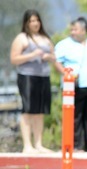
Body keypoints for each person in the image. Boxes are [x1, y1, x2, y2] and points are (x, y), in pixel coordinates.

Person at [54, 16, 87, 152]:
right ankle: (76, 145)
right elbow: (56, 61)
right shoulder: (64, 44)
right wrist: (66, 74)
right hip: (75, 86)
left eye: (75, 29)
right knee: (75, 115)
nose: (72, 32)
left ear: (84, 30)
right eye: (71, 29)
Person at [10, 9, 55, 154]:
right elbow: (14, 59)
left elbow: (54, 56)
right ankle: (27, 145)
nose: (35, 23)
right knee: (28, 109)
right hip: (27, 76)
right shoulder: (22, 38)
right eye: (32, 21)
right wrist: (31, 55)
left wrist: (48, 57)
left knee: (40, 110)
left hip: (43, 76)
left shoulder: (45, 38)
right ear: (27, 23)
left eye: (37, 20)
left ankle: (38, 144)